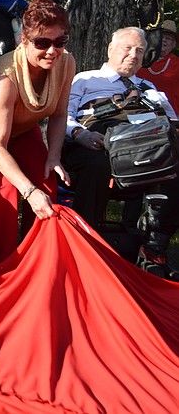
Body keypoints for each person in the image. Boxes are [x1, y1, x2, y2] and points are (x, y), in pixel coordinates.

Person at [0, 0, 76, 270]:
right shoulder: (4, 77)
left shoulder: (67, 63)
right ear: (24, 40)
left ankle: (35, 257)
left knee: (47, 181)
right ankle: (0, 265)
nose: (52, 51)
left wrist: (54, 156)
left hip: (24, 129)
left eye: (59, 42)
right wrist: (29, 190)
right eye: (42, 43)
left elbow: (59, 114)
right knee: (7, 185)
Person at [62, 27, 179, 278]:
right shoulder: (85, 79)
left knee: (175, 169)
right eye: (128, 48)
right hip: (97, 141)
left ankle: (153, 249)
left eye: (139, 51)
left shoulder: (149, 88)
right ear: (110, 49)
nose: (134, 55)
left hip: (145, 147)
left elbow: (173, 124)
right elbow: (63, 117)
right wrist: (80, 135)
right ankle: (85, 246)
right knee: (97, 166)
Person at [138, 19, 179, 109]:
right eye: (161, 37)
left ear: (173, 44)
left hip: (171, 115)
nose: (164, 40)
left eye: (168, 38)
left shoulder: (177, 64)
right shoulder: (139, 60)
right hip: (139, 113)